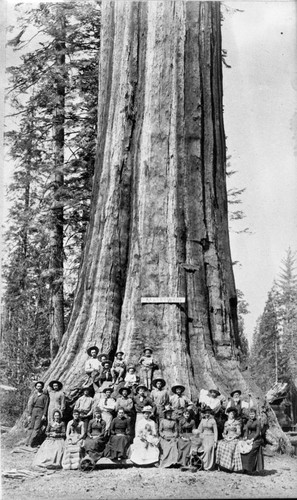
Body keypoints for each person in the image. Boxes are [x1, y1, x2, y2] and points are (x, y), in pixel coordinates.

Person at [216, 407, 242, 472]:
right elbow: (224, 432)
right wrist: (225, 437)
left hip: (234, 438)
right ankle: (221, 465)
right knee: (220, 444)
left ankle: (230, 466)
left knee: (230, 447)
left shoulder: (237, 422)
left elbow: (239, 432)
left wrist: (233, 437)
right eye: (230, 414)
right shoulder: (226, 423)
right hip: (227, 437)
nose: (231, 415)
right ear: (228, 415)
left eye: (233, 414)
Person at [240, 408, 264, 474]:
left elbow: (258, 433)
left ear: (255, 414)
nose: (251, 415)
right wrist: (245, 437)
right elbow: (246, 430)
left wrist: (252, 440)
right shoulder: (248, 421)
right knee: (243, 448)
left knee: (251, 449)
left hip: (256, 438)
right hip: (249, 437)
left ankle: (251, 469)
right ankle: (244, 468)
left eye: (253, 414)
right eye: (250, 414)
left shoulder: (258, 422)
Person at [26, 381, 49, 447]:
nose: (39, 387)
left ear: (42, 387)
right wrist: (29, 414)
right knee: (30, 427)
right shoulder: (34, 395)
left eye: (40, 386)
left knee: (36, 428)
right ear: (36, 387)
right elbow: (30, 405)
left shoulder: (45, 396)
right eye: (38, 386)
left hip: (41, 411)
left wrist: (44, 414)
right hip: (34, 411)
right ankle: (27, 442)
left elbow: (46, 406)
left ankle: (31, 442)